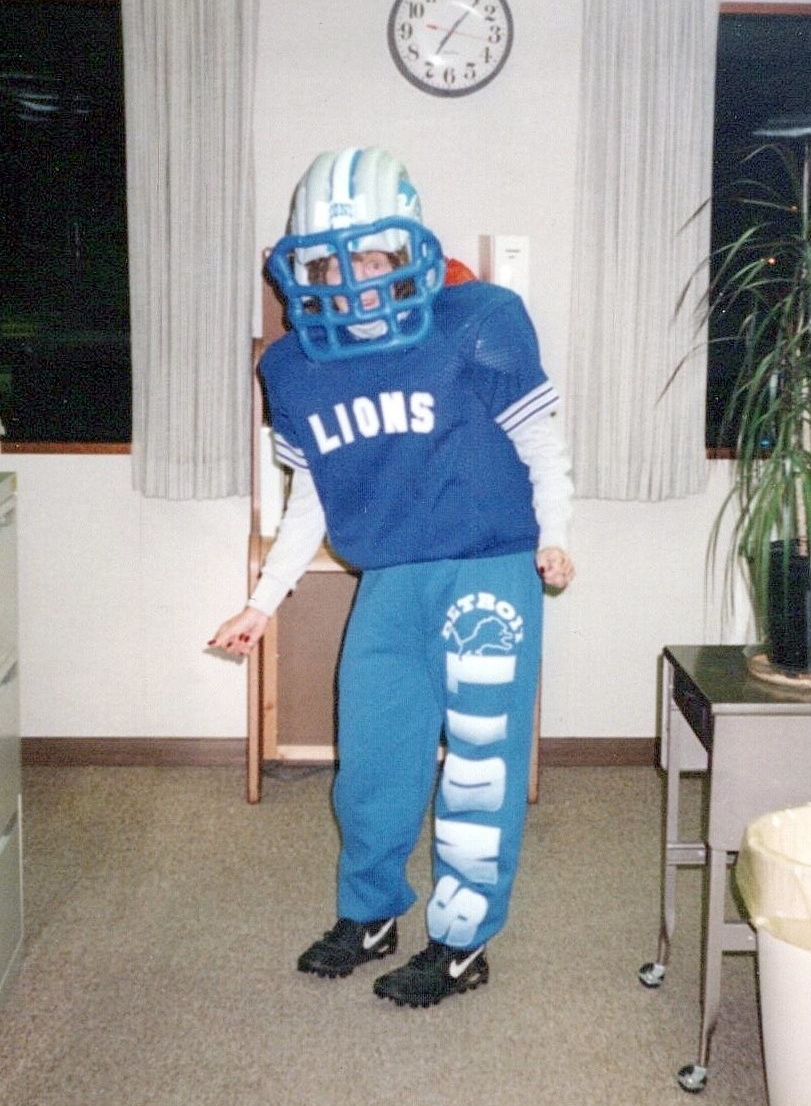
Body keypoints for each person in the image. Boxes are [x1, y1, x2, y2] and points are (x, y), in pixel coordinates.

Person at [209, 146, 574, 1008]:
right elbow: (312, 498)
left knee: (479, 764)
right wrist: (262, 602)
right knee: (372, 756)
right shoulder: (295, 367)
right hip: (389, 578)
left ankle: (462, 940)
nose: (352, 280)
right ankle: (372, 912)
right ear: (303, 271)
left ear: (406, 252)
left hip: (487, 568)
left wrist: (557, 533)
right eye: (330, 264)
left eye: (370, 258)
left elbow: (540, 441)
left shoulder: (477, 320)